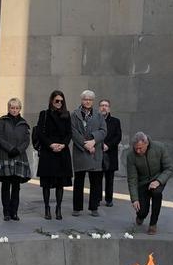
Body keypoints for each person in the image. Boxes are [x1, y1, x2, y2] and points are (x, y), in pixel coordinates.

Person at [126, 132, 173, 235]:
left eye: (140, 148)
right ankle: (140, 216)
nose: (138, 151)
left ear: (146, 143)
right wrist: (134, 199)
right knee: (142, 211)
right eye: (136, 148)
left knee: (157, 194)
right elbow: (132, 178)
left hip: (157, 179)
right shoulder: (131, 156)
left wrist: (158, 181)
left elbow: (168, 168)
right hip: (142, 182)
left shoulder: (159, 148)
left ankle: (153, 224)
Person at [36, 90, 72, 220]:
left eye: (61, 101)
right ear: (52, 101)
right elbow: (40, 133)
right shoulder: (44, 114)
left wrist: (63, 145)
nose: (59, 103)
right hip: (48, 151)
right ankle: (47, 207)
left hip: (62, 152)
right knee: (46, 182)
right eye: (57, 100)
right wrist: (51, 145)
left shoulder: (66, 115)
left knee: (60, 183)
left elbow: (69, 133)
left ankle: (58, 208)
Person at [70, 89, 106, 217]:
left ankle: (94, 207)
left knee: (95, 182)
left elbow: (103, 131)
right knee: (79, 182)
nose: (87, 101)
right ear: (82, 100)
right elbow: (73, 132)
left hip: (95, 152)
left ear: (93, 101)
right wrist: (85, 144)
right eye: (85, 99)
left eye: (90, 99)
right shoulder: (74, 114)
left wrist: (93, 141)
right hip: (80, 151)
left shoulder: (98, 115)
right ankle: (77, 208)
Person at [0, 98, 31, 221]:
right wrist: (10, 149)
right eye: (12, 107)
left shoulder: (24, 123)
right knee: (6, 186)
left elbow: (26, 140)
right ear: (8, 108)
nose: (14, 110)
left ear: (20, 109)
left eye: (17, 108)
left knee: (16, 186)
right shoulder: (1, 121)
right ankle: (6, 213)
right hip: (5, 156)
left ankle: (14, 212)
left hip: (19, 157)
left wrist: (18, 150)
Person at [99, 98, 122, 207]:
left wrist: (108, 145)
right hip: (98, 153)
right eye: (102, 105)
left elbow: (118, 137)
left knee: (109, 179)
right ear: (99, 108)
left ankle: (109, 199)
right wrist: (99, 145)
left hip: (110, 153)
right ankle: (97, 198)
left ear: (109, 108)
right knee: (97, 178)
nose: (104, 107)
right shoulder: (95, 120)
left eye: (106, 105)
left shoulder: (115, 121)